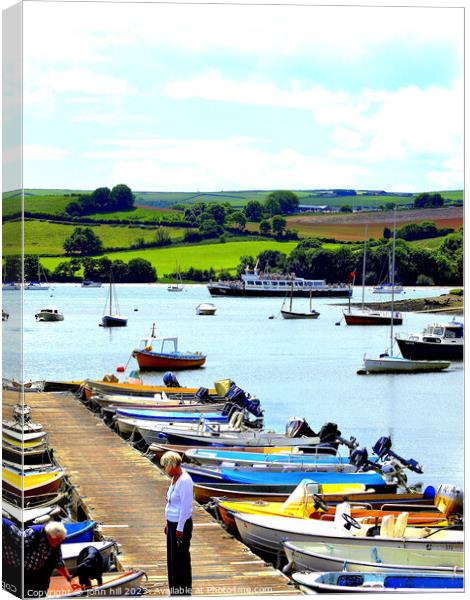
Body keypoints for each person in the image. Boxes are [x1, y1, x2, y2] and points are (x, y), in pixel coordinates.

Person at [2, 518, 79, 598]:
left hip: (39, 580)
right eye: (58, 540)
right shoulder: (32, 534)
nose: (59, 542)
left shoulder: (56, 545)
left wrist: (69, 578)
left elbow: (58, 562)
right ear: (50, 536)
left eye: (61, 540)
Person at [161, 450, 193, 596]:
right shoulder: (174, 478)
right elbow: (171, 503)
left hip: (182, 524)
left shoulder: (185, 481)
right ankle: (174, 589)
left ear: (172, 465)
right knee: (172, 559)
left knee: (181, 558)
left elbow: (185, 507)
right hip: (172, 523)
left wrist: (180, 528)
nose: (164, 470)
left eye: (165, 466)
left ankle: (184, 590)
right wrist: (168, 523)